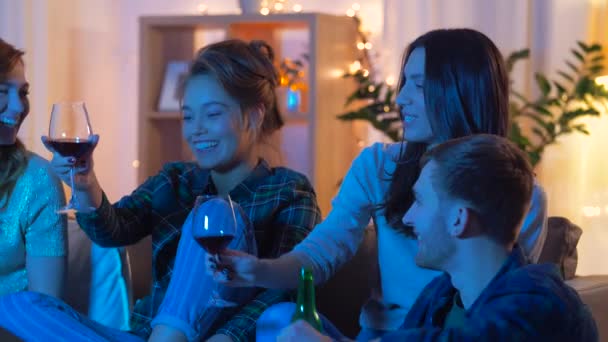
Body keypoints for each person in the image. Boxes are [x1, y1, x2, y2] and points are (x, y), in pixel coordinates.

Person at [209, 28, 548, 339]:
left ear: (458, 91)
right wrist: (258, 271)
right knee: (280, 319)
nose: (400, 100)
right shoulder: (378, 165)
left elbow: (500, 301)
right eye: (404, 84)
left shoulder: (519, 195)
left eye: (418, 85)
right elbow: (324, 250)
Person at [0, 39, 321, 342]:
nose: (196, 129)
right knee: (15, 305)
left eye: (211, 114)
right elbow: (114, 230)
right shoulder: (175, 180)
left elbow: (285, 289)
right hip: (147, 334)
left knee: (214, 212)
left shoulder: (289, 191)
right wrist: (85, 183)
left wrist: (228, 337)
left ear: (253, 115)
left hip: (221, 336)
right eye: (188, 116)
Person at [277, 134, 598, 341]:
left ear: (459, 219)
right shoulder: (441, 295)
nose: (407, 216)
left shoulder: (539, 301)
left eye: (420, 201)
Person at [0, 38, 67, 298]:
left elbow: (46, 305)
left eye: (23, 92)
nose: (19, 107)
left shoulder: (37, 178)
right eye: (3, 91)